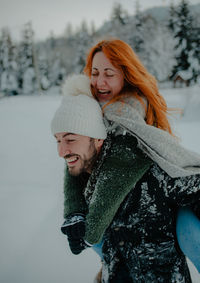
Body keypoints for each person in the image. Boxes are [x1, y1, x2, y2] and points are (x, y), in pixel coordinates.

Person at [51, 71, 200, 282]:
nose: (61, 151)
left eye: (71, 139)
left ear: (98, 139)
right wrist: (77, 218)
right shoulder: (88, 176)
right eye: (57, 140)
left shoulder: (154, 175)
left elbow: (193, 185)